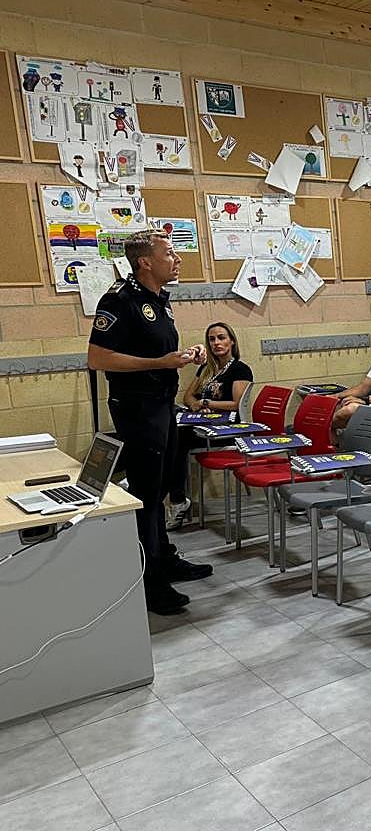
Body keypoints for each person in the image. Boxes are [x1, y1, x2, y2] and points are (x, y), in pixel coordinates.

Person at [87, 230, 213, 615]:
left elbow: (156, 351)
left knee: (158, 491)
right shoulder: (120, 300)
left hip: (162, 405)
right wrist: (160, 362)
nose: (177, 259)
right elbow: (98, 358)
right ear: (145, 262)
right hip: (137, 408)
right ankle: (149, 580)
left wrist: (185, 356)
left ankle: (165, 558)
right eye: (169, 253)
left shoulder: (158, 300)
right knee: (145, 496)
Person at [165, 322, 253, 530]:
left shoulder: (240, 369)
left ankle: (177, 500)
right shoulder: (207, 368)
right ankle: (170, 494)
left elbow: (236, 404)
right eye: (212, 339)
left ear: (232, 341)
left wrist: (205, 403)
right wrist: (196, 405)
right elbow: (188, 397)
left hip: (228, 429)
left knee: (177, 437)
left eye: (221, 338)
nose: (216, 343)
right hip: (202, 424)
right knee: (167, 426)